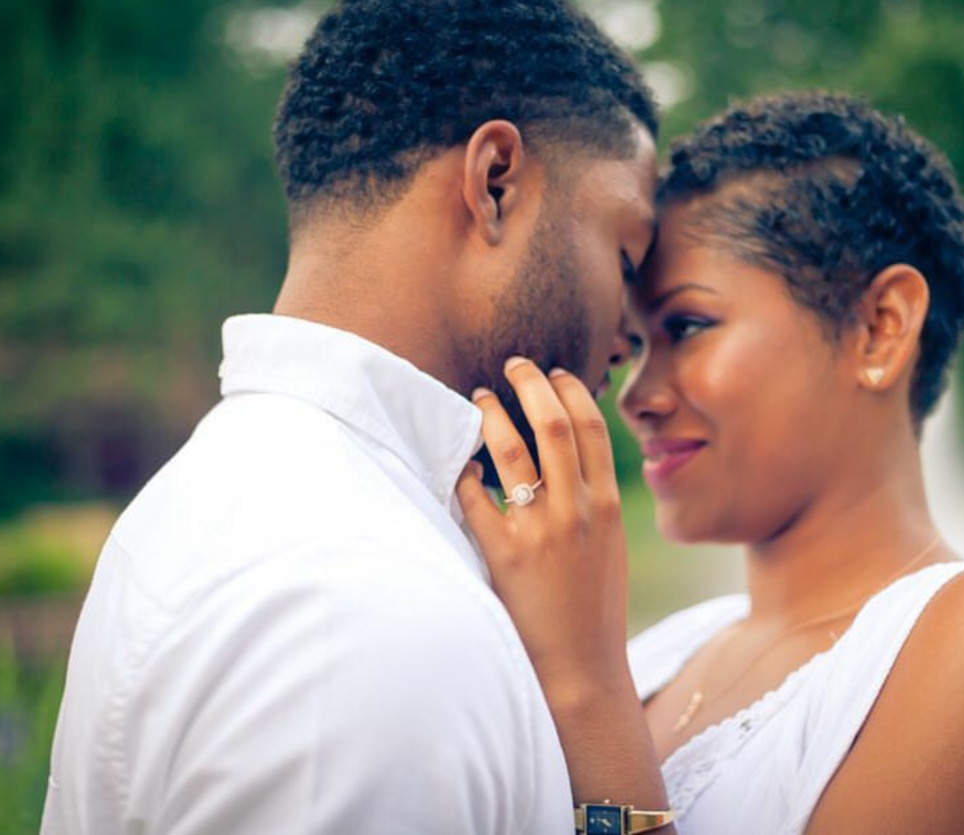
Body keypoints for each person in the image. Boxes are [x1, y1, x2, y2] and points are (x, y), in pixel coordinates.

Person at [40, 1, 667, 832]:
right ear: (495, 183)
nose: (628, 335)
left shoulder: (221, 494)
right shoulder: (368, 615)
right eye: (625, 254)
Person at [459, 92, 964, 834]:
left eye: (688, 326)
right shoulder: (664, 652)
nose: (637, 397)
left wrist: (584, 684)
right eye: (640, 345)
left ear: (879, 329)